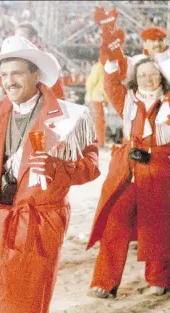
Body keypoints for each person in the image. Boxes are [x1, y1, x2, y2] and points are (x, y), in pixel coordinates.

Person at [0, 35, 100, 313]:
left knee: (27, 301)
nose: (9, 81)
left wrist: (59, 170)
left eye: (17, 73)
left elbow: (91, 166)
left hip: (40, 222)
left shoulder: (71, 116)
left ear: (35, 74)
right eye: (4, 75)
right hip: (1, 218)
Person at [87, 51, 170, 298]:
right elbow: (111, 82)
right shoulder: (127, 100)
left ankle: (159, 278)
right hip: (127, 169)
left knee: (157, 225)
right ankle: (104, 281)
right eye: (142, 75)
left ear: (162, 77)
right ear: (135, 77)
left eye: (153, 75)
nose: (147, 79)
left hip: (159, 169)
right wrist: (111, 51)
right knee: (116, 222)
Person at [15, 22, 66, 100]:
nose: (17, 41)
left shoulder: (48, 59)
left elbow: (57, 92)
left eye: (21, 37)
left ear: (33, 39)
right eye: (16, 38)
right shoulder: (17, 59)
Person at [85, 59, 110, 147]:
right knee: (99, 120)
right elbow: (90, 83)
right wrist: (90, 97)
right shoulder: (98, 67)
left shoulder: (106, 67)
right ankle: (99, 142)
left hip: (100, 98)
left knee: (100, 121)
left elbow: (106, 86)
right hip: (96, 98)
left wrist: (106, 100)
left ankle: (100, 142)